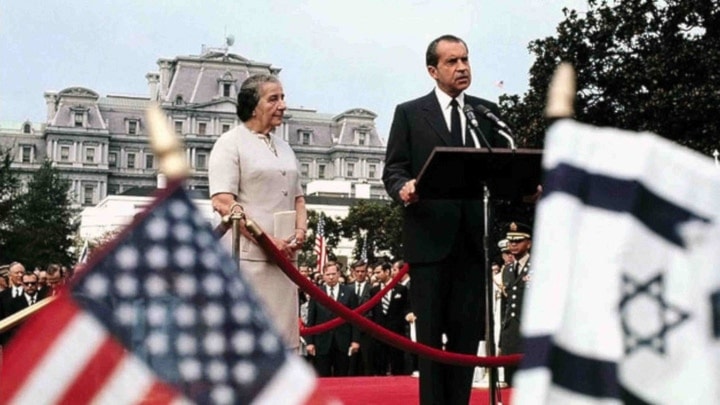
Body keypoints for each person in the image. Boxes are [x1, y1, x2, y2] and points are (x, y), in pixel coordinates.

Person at [382, 34, 505, 404]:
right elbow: (394, 169)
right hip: (429, 244)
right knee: (432, 341)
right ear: (432, 70)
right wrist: (403, 187)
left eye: (465, 59)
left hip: (472, 244)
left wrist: (525, 186)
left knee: (467, 339)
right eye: (452, 62)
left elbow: (501, 165)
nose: (462, 67)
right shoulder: (409, 113)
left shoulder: (485, 113)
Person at [208, 73, 307, 352]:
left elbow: (299, 197)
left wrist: (300, 232)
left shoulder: (285, 147)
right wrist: (266, 240)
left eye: (283, 98)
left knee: (286, 343)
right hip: (248, 261)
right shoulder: (230, 143)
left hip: (286, 259)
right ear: (253, 105)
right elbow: (223, 202)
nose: (283, 105)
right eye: (273, 99)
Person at [305, 263, 360, 376]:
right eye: (328, 274)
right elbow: (311, 319)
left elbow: (355, 319)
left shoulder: (349, 292)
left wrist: (355, 340)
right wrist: (309, 342)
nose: (331, 277)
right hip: (322, 343)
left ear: (339, 274)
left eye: (333, 274)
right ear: (323, 276)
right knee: (323, 376)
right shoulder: (316, 293)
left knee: (342, 376)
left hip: (343, 342)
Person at [499, 222, 532, 385]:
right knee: (511, 387)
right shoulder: (507, 269)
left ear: (529, 243)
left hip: (530, 334)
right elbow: (506, 307)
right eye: (511, 241)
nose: (513, 244)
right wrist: (501, 340)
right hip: (510, 336)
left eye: (518, 240)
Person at [369, 262, 410, 376]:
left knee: (397, 363)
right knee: (380, 364)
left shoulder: (401, 289)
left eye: (378, 272)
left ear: (387, 272)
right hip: (379, 332)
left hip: (396, 332)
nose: (375, 275)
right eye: (374, 273)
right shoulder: (374, 291)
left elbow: (406, 308)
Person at [348, 259, 373, 376]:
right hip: (350, 331)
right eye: (357, 271)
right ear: (353, 272)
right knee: (351, 364)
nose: (360, 274)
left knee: (367, 362)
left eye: (363, 271)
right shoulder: (347, 288)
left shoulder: (372, 289)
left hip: (367, 330)